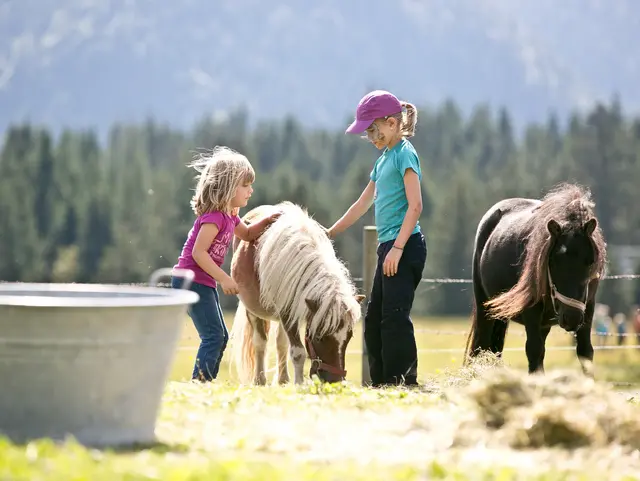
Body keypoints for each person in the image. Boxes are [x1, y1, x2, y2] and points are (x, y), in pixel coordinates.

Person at [326, 90, 426, 387]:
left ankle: (403, 384)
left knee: (394, 318)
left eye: (374, 129)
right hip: (389, 247)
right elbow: (361, 204)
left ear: (393, 123)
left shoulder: (405, 154)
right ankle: (381, 384)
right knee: (373, 322)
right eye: (367, 131)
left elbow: (416, 205)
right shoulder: (384, 160)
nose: (371, 136)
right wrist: (329, 232)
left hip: (404, 248)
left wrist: (397, 248)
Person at [172, 146, 280, 382]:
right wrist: (224, 278)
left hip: (202, 281)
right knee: (213, 335)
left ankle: (204, 381)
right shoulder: (213, 218)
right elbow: (199, 253)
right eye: (245, 185)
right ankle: (199, 384)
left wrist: (268, 220)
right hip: (191, 280)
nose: (251, 190)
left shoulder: (230, 217)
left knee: (220, 336)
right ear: (228, 186)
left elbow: (248, 234)